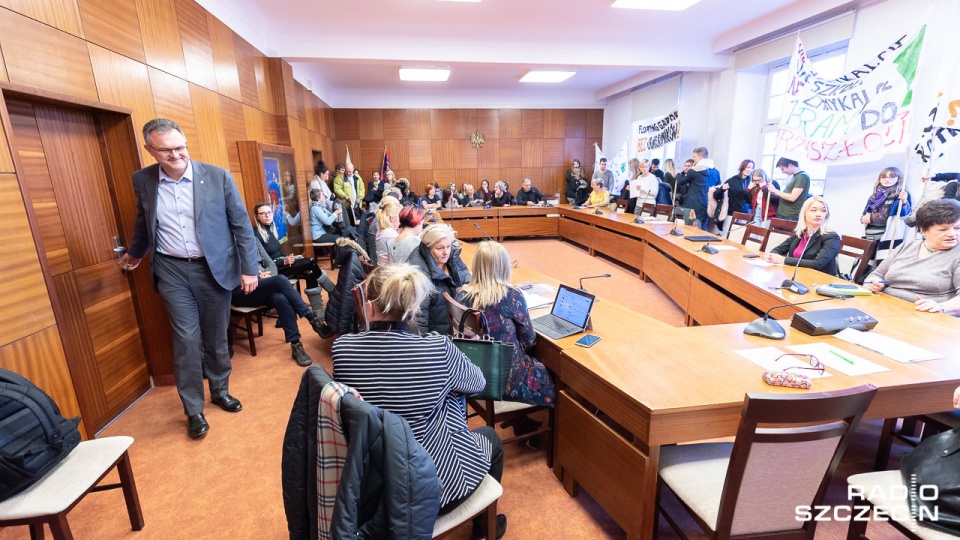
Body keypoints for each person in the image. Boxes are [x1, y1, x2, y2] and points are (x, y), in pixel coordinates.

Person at [331, 264, 506, 536]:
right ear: (415, 308)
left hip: (372, 488)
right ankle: (484, 529)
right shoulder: (438, 348)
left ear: (368, 307)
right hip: (432, 489)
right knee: (491, 439)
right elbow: (478, 383)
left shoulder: (342, 349)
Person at [119, 118, 258, 439]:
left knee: (216, 335)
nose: (176, 155)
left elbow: (241, 226)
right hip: (171, 269)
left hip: (214, 269)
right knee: (186, 340)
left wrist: (249, 268)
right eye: (166, 150)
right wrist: (136, 253)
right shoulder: (143, 180)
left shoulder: (217, 177)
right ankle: (193, 409)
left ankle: (220, 391)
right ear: (149, 149)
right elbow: (144, 221)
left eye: (180, 147)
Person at [456, 242, 557, 435]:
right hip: (503, 378)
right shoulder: (511, 296)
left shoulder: (461, 295)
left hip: (472, 372)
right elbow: (529, 342)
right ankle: (531, 422)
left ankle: (522, 420)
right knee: (555, 377)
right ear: (504, 266)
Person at [232, 242, 329, 366]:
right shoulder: (225, 242)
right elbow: (226, 274)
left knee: (280, 298)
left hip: (261, 286)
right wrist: (257, 276)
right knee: (281, 280)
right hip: (241, 291)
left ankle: (296, 345)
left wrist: (268, 275)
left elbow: (270, 263)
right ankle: (312, 318)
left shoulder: (252, 239)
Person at [864, 198, 960, 315]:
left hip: (924, 315)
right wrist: (873, 283)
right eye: (943, 229)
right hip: (885, 305)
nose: (952, 234)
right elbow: (877, 274)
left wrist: (942, 307)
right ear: (923, 230)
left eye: (957, 228)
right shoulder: (908, 245)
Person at [253, 203, 336, 319]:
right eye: (263, 213)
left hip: (282, 264)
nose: (267, 215)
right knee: (310, 261)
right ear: (256, 216)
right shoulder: (256, 234)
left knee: (309, 273)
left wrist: (289, 258)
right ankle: (334, 292)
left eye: (269, 212)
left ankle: (318, 312)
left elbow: (278, 252)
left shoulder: (271, 230)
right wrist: (283, 262)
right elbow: (263, 263)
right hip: (273, 271)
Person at [408, 225, 471, 334]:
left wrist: (466, 285)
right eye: (440, 248)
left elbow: (465, 273)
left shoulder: (451, 255)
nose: (446, 252)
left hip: (452, 328)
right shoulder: (419, 272)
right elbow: (419, 319)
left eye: (448, 246)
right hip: (436, 336)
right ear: (428, 247)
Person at [764, 196, 840, 276]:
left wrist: (784, 260)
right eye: (813, 210)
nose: (818, 214)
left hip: (818, 280)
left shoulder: (832, 237)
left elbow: (816, 264)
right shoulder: (800, 233)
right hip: (795, 275)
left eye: (823, 211)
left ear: (827, 215)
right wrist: (772, 256)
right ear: (804, 213)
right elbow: (778, 249)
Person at [861, 166, 912, 253]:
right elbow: (866, 212)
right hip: (871, 231)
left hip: (890, 233)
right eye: (884, 177)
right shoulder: (873, 196)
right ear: (879, 179)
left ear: (898, 179)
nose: (887, 180)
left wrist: (904, 202)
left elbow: (906, 216)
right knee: (867, 260)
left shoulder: (900, 195)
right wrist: (863, 218)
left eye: (891, 177)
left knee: (884, 260)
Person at [676, 147, 720, 230]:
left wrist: (678, 174)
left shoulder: (694, 171)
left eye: (694, 157)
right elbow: (717, 187)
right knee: (703, 229)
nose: (694, 159)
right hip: (707, 204)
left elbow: (681, 181)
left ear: (700, 158)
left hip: (693, 203)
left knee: (690, 230)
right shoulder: (716, 172)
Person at [713, 159, 754, 235]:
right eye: (748, 167)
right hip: (731, 213)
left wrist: (749, 189)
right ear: (742, 167)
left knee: (739, 236)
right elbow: (716, 195)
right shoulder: (732, 181)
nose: (750, 170)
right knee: (726, 234)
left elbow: (749, 200)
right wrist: (722, 189)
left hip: (744, 213)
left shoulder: (751, 182)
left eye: (751, 168)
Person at [375, 198, 402, 265]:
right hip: (389, 271)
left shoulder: (382, 230)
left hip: (382, 268)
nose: (401, 221)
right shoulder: (390, 233)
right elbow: (397, 258)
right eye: (399, 218)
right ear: (392, 218)